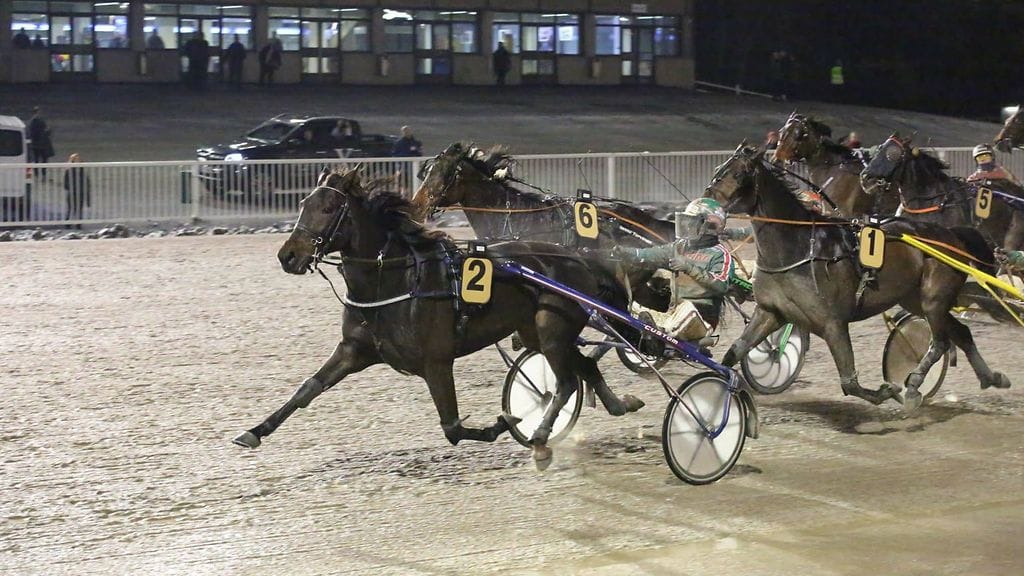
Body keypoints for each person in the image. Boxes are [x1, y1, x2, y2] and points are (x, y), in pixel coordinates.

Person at [611, 198, 737, 346]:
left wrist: (689, 268)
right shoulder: (680, 247)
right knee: (633, 308)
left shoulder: (720, 254)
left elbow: (721, 285)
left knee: (686, 310)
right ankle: (654, 332)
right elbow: (651, 254)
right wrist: (625, 253)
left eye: (692, 222)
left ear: (708, 226)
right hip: (675, 312)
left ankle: (657, 334)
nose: (686, 226)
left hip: (702, 315)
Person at [63, 153, 91, 229]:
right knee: (71, 208)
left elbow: (86, 183)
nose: (77, 161)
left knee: (79, 208)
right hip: (72, 192)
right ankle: (68, 223)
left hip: (80, 192)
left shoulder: (83, 172)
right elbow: (65, 183)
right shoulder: (69, 171)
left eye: (78, 160)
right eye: (75, 160)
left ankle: (78, 223)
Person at [28, 106, 55, 179]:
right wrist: (48, 131)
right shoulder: (37, 121)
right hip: (40, 144)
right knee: (43, 160)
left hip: (36, 144)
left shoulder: (33, 121)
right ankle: (42, 174)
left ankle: (39, 175)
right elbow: (40, 132)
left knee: (38, 160)